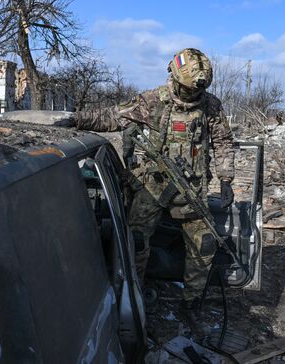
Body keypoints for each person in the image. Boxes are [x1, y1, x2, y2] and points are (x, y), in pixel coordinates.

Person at [72, 48, 235, 310]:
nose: (193, 95)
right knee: (135, 239)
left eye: (197, 91)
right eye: (188, 89)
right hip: (154, 185)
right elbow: (114, 117)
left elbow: (223, 141)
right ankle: (133, 294)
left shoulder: (211, 105)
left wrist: (226, 179)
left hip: (191, 188)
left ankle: (192, 301)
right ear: (174, 76)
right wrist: (76, 119)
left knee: (204, 243)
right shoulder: (153, 101)